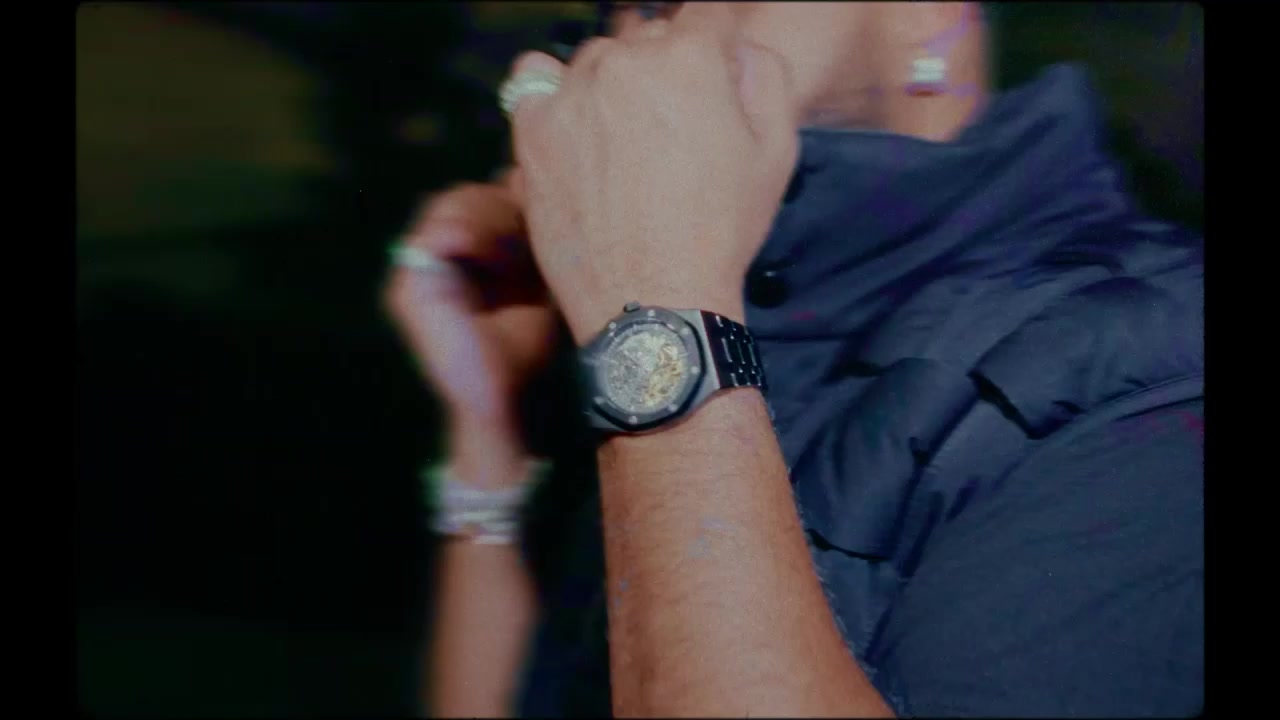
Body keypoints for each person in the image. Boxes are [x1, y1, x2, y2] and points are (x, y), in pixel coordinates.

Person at [384, 2, 1203, 717]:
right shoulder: (706, 300)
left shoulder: (1157, 366)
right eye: (622, 6)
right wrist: (487, 429)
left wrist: (658, 296)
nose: (632, 39)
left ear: (928, 15)